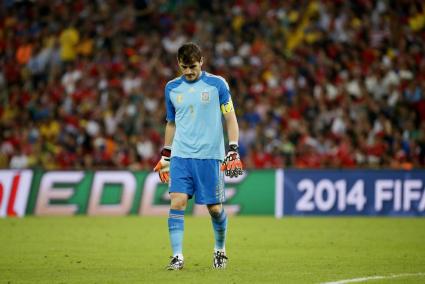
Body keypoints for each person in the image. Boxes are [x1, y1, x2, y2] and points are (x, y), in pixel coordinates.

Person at [154, 42, 243, 270]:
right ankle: (177, 256)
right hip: (181, 156)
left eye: (192, 66)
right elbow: (171, 123)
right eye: (184, 67)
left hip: (210, 156)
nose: (189, 71)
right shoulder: (172, 88)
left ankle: (220, 250)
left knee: (214, 209)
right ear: (178, 64)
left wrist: (233, 148)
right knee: (177, 201)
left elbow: (230, 118)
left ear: (201, 61)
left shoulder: (217, 84)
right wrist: (166, 156)